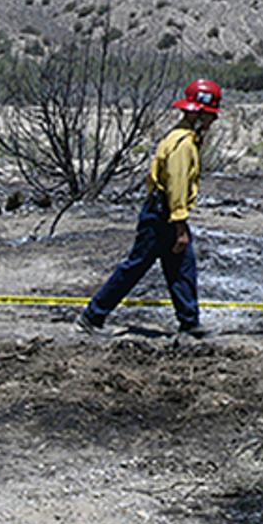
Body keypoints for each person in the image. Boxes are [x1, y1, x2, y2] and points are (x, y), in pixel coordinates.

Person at [77, 78, 222, 335]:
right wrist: (179, 226)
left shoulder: (181, 137)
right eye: (210, 115)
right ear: (198, 113)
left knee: (181, 267)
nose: (213, 121)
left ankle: (189, 323)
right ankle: (92, 316)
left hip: (163, 212)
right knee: (135, 266)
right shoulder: (183, 145)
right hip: (162, 215)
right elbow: (176, 186)